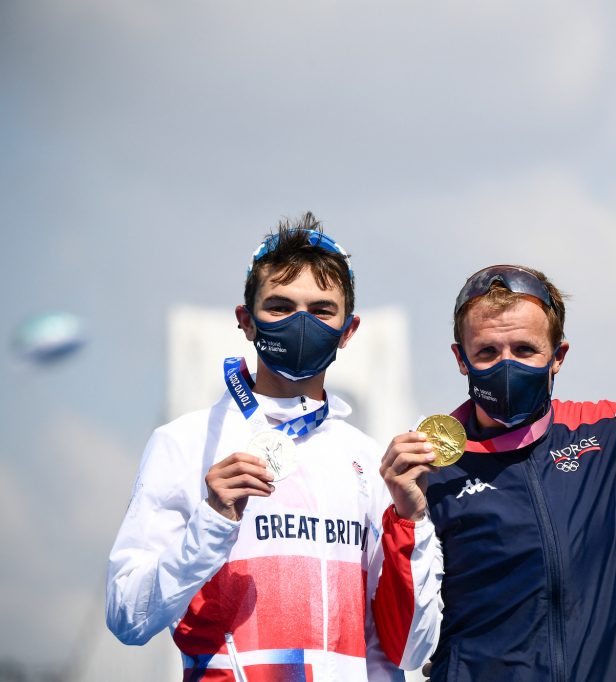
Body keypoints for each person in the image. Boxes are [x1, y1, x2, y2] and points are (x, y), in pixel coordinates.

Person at [106, 214, 443, 681]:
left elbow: (411, 652)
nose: (302, 323)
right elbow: (127, 617)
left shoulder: (372, 460)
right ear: (245, 322)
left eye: (322, 311)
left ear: (349, 330)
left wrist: (411, 522)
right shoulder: (184, 442)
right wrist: (211, 522)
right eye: (280, 307)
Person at [381, 265, 616, 681]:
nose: (506, 365)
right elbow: (407, 650)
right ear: (461, 359)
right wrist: (408, 516)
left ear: (558, 356)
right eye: (488, 352)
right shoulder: (427, 471)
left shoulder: (611, 432)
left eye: (525, 350)